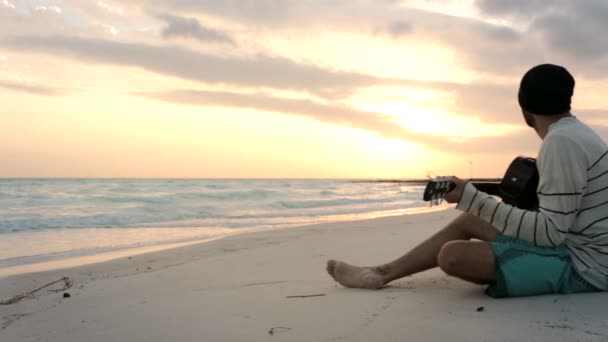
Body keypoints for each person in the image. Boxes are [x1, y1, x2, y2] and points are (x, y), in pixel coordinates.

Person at [326, 64, 608, 297]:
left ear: (524, 107)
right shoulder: (576, 134)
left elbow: (550, 233)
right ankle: (381, 272)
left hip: (588, 268)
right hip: (582, 248)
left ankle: (381, 273)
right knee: (469, 220)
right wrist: (474, 201)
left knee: (452, 256)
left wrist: (470, 197)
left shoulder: (561, 142)